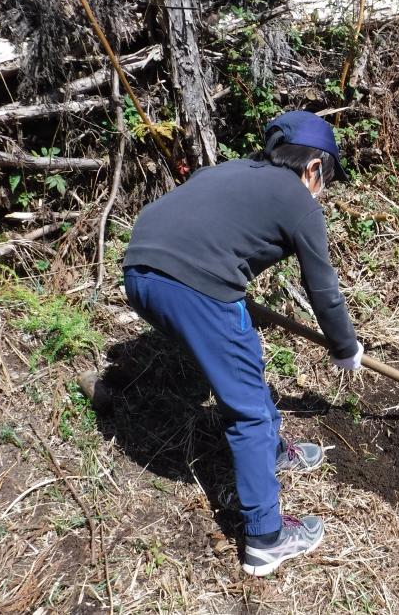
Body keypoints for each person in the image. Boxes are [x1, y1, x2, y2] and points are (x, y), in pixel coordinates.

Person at [122, 111, 363, 576]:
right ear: (313, 167)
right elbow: (324, 288)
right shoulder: (298, 200)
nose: (324, 190)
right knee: (248, 410)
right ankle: (266, 539)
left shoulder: (229, 170)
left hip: (138, 273)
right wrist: (344, 347)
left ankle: (272, 452)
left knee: (243, 360)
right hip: (194, 285)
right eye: (326, 178)